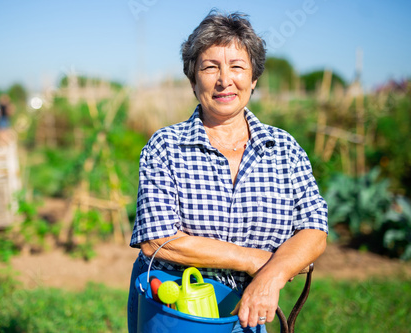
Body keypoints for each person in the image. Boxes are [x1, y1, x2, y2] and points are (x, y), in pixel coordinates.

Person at [127, 10, 328, 333]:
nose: (224, 80)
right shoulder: (166, 146)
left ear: (254, 79)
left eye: (237, 67)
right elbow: (158, 241)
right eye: (210, 67)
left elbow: (314, 229)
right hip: (174, 310)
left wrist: (271, 276)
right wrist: (251, 260)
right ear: (193, 80)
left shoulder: (284, 148)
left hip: (250, 309)